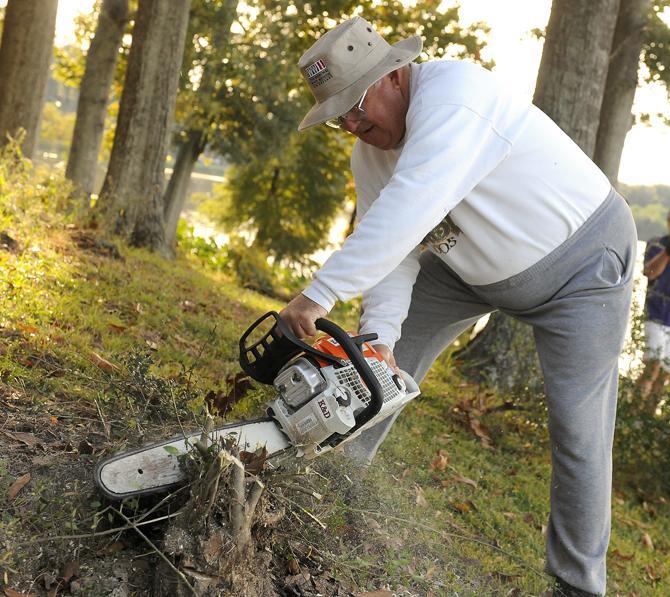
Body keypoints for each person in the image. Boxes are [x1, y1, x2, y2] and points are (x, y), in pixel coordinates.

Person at [279, 17, 637, 597]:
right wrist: (382, 337)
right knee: (371, 369)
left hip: (581, 268)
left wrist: (319, 294)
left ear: (393, 74)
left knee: (578, 427)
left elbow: (415, 205)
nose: (351, 123)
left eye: (355, 104)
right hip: (469, 267)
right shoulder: (369, 158)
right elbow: (395, 251)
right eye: (338, 117)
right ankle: (323, 493)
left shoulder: (456, 97)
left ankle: (577, 586)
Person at [638, 212, 670, 409]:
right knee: (652, 366)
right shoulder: (656, 244)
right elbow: (649, 272)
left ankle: (647, 420)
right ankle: (634, 417)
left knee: (665, 373)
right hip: (655, 315)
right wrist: (667, 252)